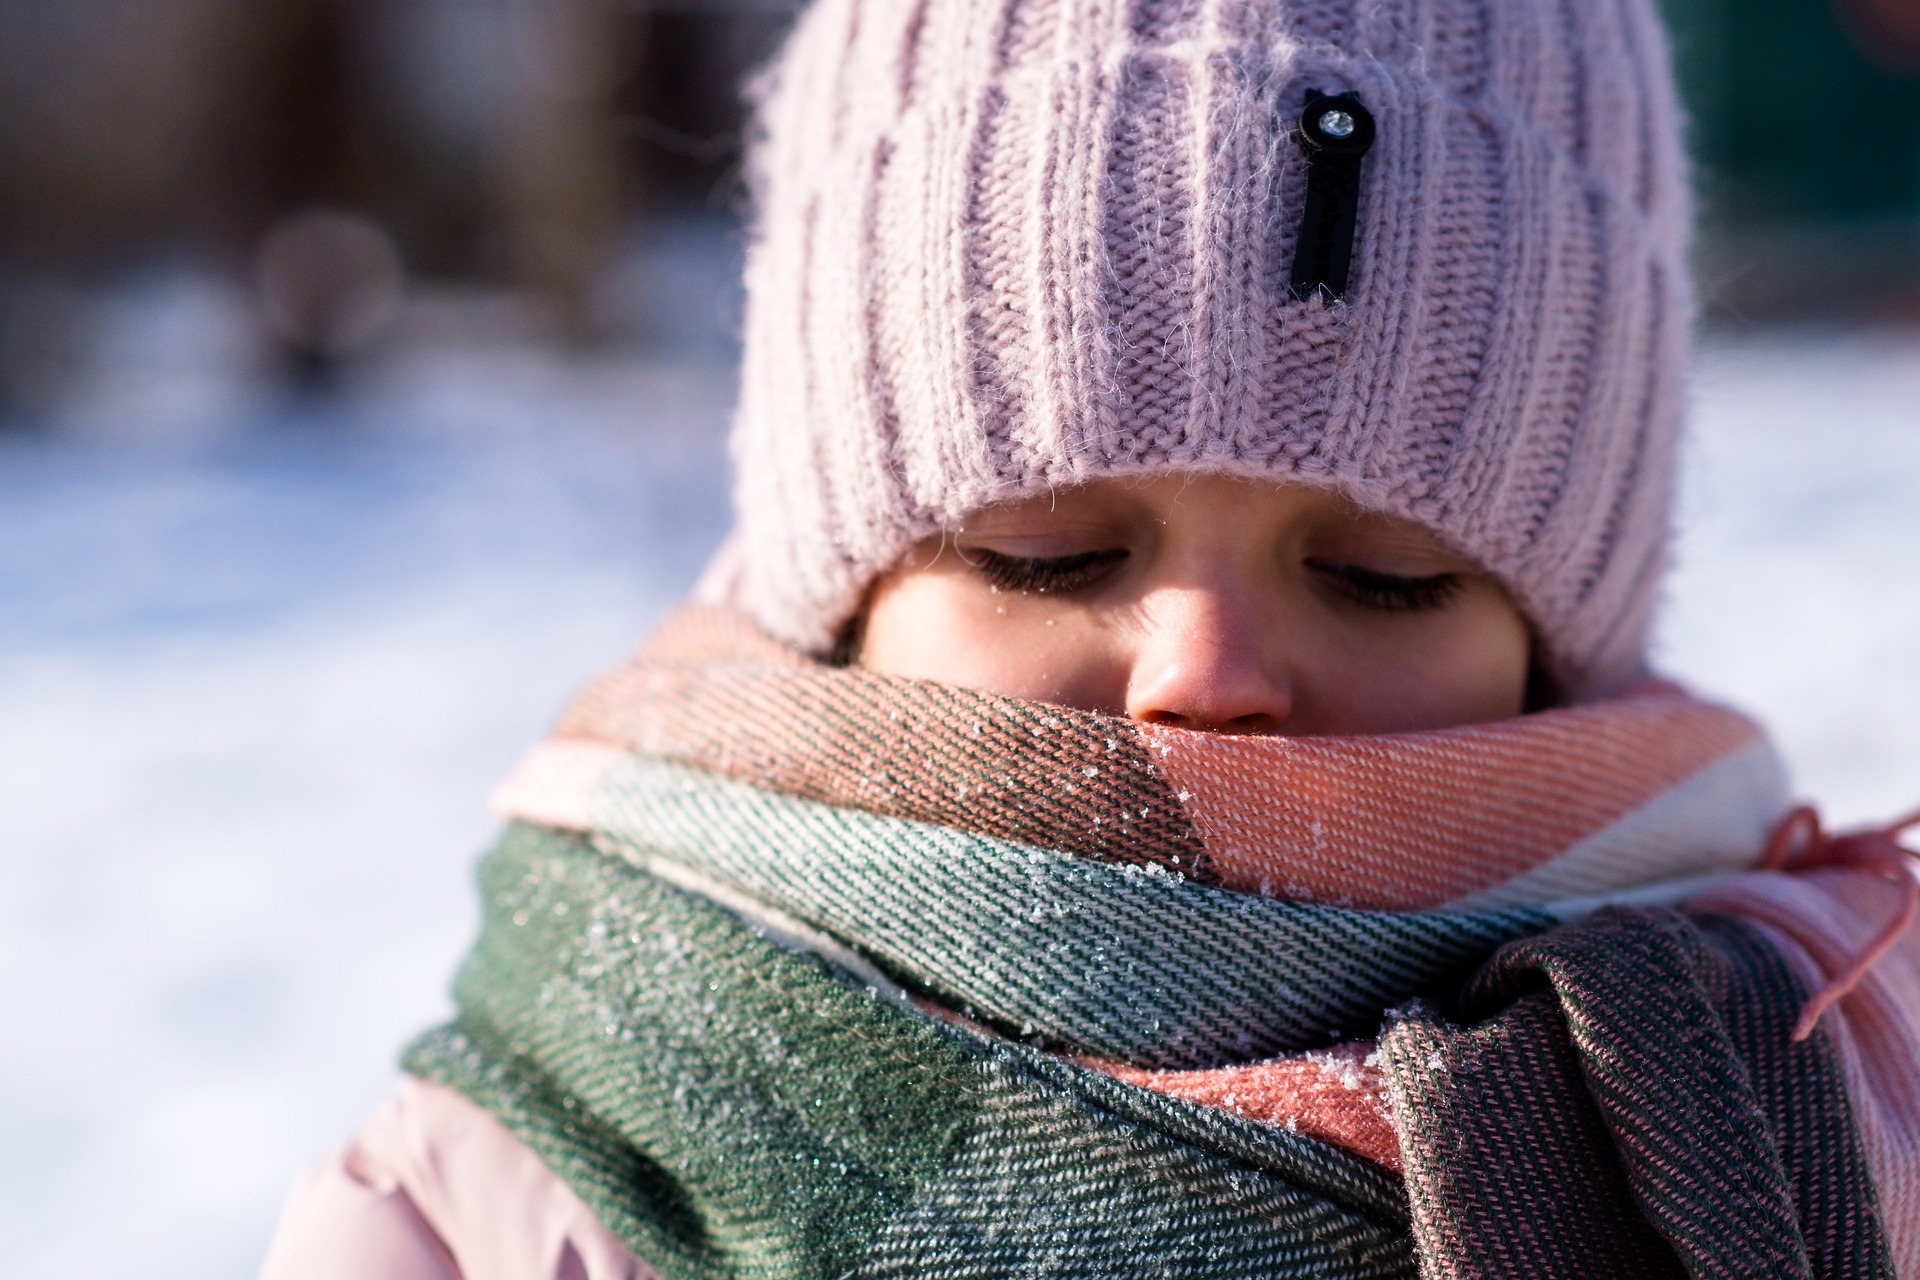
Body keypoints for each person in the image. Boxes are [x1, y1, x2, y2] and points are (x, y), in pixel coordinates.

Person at [259, 0, 1920, 1275]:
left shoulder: (1826, 1106)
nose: (1205, 671)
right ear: (840, 601)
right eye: (1043, 554)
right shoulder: (495, 1205)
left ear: (1563, 645)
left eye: (1386, 571)